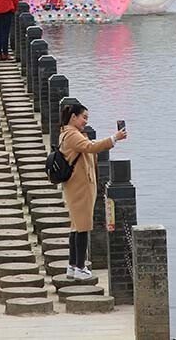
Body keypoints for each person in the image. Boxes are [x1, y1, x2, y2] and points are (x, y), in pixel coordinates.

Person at [58, 103, 127, 280]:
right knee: (82, 227)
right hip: (80, 186)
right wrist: (114, 138)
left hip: (76, 185)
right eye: (84, 117)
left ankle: (73, 266)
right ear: (73, 117)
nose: (85, 121)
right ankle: (80, 267)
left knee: (76, 226)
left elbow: (88, 145)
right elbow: (90, 148)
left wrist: (105, 141)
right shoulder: (72, 134)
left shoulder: (68, 133)